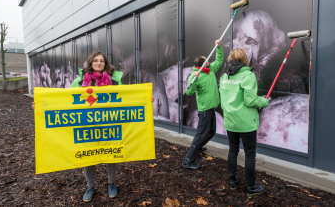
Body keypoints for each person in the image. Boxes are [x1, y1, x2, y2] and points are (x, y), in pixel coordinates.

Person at [32, 51, 154, 202]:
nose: (99, 63)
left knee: (112, 153)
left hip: (109, 124)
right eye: (95, 60)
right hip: (87, 126)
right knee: (88, 155)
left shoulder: (115, 81)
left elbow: (127, 98)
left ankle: (111, 183)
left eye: (101, 61)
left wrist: (145, 99)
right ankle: (90, 186)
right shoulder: (80, 81)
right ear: (90, 63)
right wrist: (41, 105)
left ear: (105, 63)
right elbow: (65, 101)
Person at [219, 48, 269, 198]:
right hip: (246, 123)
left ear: (230, 59)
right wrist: (264, 101)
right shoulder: (248, 76)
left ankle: (233, 181)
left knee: (233, 150)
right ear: (245, 59)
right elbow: (251, 100)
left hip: (231, 122)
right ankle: (251, 187)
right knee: (249, 155)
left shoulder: (224, 77)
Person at [182, 39, 224, 170]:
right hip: (205, 110)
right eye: (207, 60)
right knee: (201, 135)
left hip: (211, 108)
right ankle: (188, 161)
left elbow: (219, 61)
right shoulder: (195, 76)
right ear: (202, 63)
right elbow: (189, 91)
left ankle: (199, 146)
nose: (209, 61)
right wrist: (194, 79)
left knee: (210, 132)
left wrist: (219, 48)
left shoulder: (210, 70)